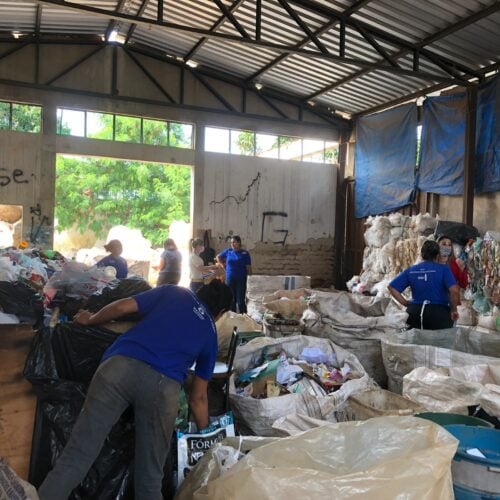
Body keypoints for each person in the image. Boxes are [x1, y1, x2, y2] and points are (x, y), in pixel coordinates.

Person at [38, 280, 233, 500]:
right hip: (162, 388)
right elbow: (198, 398)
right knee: (150, 478)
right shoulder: (209, 332)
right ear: (221, 312)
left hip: (117, 369)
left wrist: (90, 319)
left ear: (199, 291)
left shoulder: (174, 292)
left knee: (76, 455)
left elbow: (121, 307)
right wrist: (206, 435)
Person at [388, 240, 460, 330]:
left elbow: (391, 287)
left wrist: (405, 303)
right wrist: (453, 310)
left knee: (415, 343)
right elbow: (454, 291)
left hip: (414, 313)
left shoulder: (411, 270)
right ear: (437, 255)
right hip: (438, 314)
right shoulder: (443, 270)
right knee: (439, 342)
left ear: (422, 255)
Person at [216, 235, 252, 314]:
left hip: (241, 279)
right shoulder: (228, 251)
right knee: (231, 299)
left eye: (234, 242)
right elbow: (218, 256)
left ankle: (244, 317)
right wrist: (223, 265)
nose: (232, 244)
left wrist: (250, 278)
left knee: (240, 300)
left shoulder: (245, 253)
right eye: (231, 242)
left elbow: (248, 267)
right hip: (230, 279)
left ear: (239, 243)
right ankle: (232, 318)